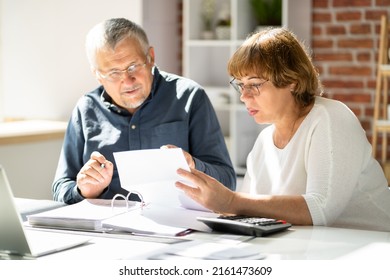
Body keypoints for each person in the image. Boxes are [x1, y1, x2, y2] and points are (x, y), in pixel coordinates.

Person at [176, 27, 390, 232]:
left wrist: (230, 201)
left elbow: (320, 209)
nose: (243, 96)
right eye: (241, 85)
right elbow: (248, 211)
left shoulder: (330, 118)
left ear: (293, 81)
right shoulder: (264, 141)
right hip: (313, 251)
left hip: (371, 249)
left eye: (255, 84)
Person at [52, 18, 236, 204]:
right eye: (114, 73)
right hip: (106, 230)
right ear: (97, 75)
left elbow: (228, 182)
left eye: (133, 66)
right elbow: (60, 188)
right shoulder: (86, 109)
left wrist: (193, 166)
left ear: (151, 57)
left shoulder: (189, 97)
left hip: (177, 227)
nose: (128, 80)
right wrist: (84, 190)